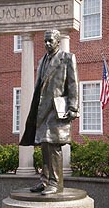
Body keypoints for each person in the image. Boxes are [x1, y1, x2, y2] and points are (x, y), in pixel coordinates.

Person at [19, 29, 79, 195]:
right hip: (42, 109)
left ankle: (55, 182)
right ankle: (45, 181)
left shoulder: (67, 58)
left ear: (58, 41)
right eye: (45, 41)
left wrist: (73, 108)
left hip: (57, 108)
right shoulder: (42, 61)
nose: (47, 44)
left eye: (50, 41)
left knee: (52, 144)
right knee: (44, 145)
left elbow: (73, 85)